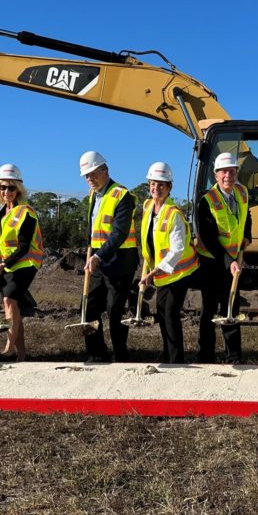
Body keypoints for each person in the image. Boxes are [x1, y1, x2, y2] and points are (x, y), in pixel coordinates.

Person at [78, 151, 138, 363]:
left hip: (120, 262)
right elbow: (94, 227)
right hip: (97, 259)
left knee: (114, 312)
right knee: (89, 306)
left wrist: (99, 255)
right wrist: (91, 251)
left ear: (105, 171)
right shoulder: (94, 195)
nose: (90, 179)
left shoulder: (122, 195)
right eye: (86, 176)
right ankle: (97, 353)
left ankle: (121, 354)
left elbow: (119, 233)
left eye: (93, 174)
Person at [139, 162, 199, 364]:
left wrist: (154, 271)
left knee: (171, 314)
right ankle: (167, 355)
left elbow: (177, 249)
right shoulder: (148, 207)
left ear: (169, 188)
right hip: (161, 273)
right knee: (161, 314)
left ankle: (175, 360)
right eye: (153, 184)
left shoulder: (175, 215)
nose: (156, 188)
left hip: (179, 272)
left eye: (161, 185)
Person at [195, 152, 251, 364]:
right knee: (209, 309)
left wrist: (247, 235)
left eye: (232, 170)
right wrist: (230, 261)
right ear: (216, 175)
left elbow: (247, 216)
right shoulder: (207, 200)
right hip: (212, 261)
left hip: (232, 261)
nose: (228, 175)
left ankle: (234, 356)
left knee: (231, 308)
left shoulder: (242, 192)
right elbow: (209, 239)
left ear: (237, 172)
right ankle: (205, 355)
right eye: (223, 171)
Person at [0, 163, 44, 363]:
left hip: (26, 263)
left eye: (11, 187)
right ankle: (21, 353)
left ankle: (8, 349)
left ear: (19, 189)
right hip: (9, 264)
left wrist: (4, 263)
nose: (7, 192)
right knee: (13, 307)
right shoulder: (1, 213)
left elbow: (23, 246)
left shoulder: (26, 212)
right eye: (3, 187)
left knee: (9, 301)